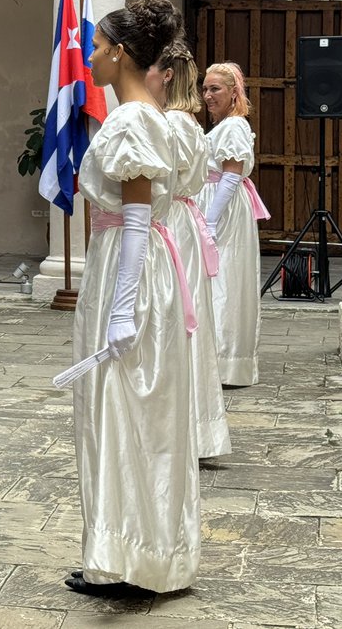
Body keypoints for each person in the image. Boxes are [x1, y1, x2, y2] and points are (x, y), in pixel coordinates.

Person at [67, 0, 198, 596]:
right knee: (132, 411)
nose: (90, 57)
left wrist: (121, 310)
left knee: (124, 410)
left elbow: (139, 216)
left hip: (131, 269)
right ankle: (130, 553)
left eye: (97, 47)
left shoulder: (131, 122)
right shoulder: (152, 117)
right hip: (135, 266)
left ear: (119, 54)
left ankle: (129, 558)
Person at [146, 41, 231, 459]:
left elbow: (160, 182)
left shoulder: (173, 125)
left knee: (175, 318)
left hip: (173, 221)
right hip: (183, 218)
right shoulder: (190, 123)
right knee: (186, 316)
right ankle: (195, 428)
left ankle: (182, 429)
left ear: (166, 76)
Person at [196, 62, 269, 387]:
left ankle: (225, 362)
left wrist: (210, 222)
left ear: (234, 92)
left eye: (215, 89)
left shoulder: (234, 126)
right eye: (205, 88)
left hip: (223, 212)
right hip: (215, 205)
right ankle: (214, 360)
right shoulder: (224, 126)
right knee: (216, 281)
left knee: (224, 280)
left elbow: (230, 176)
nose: (207, 95)